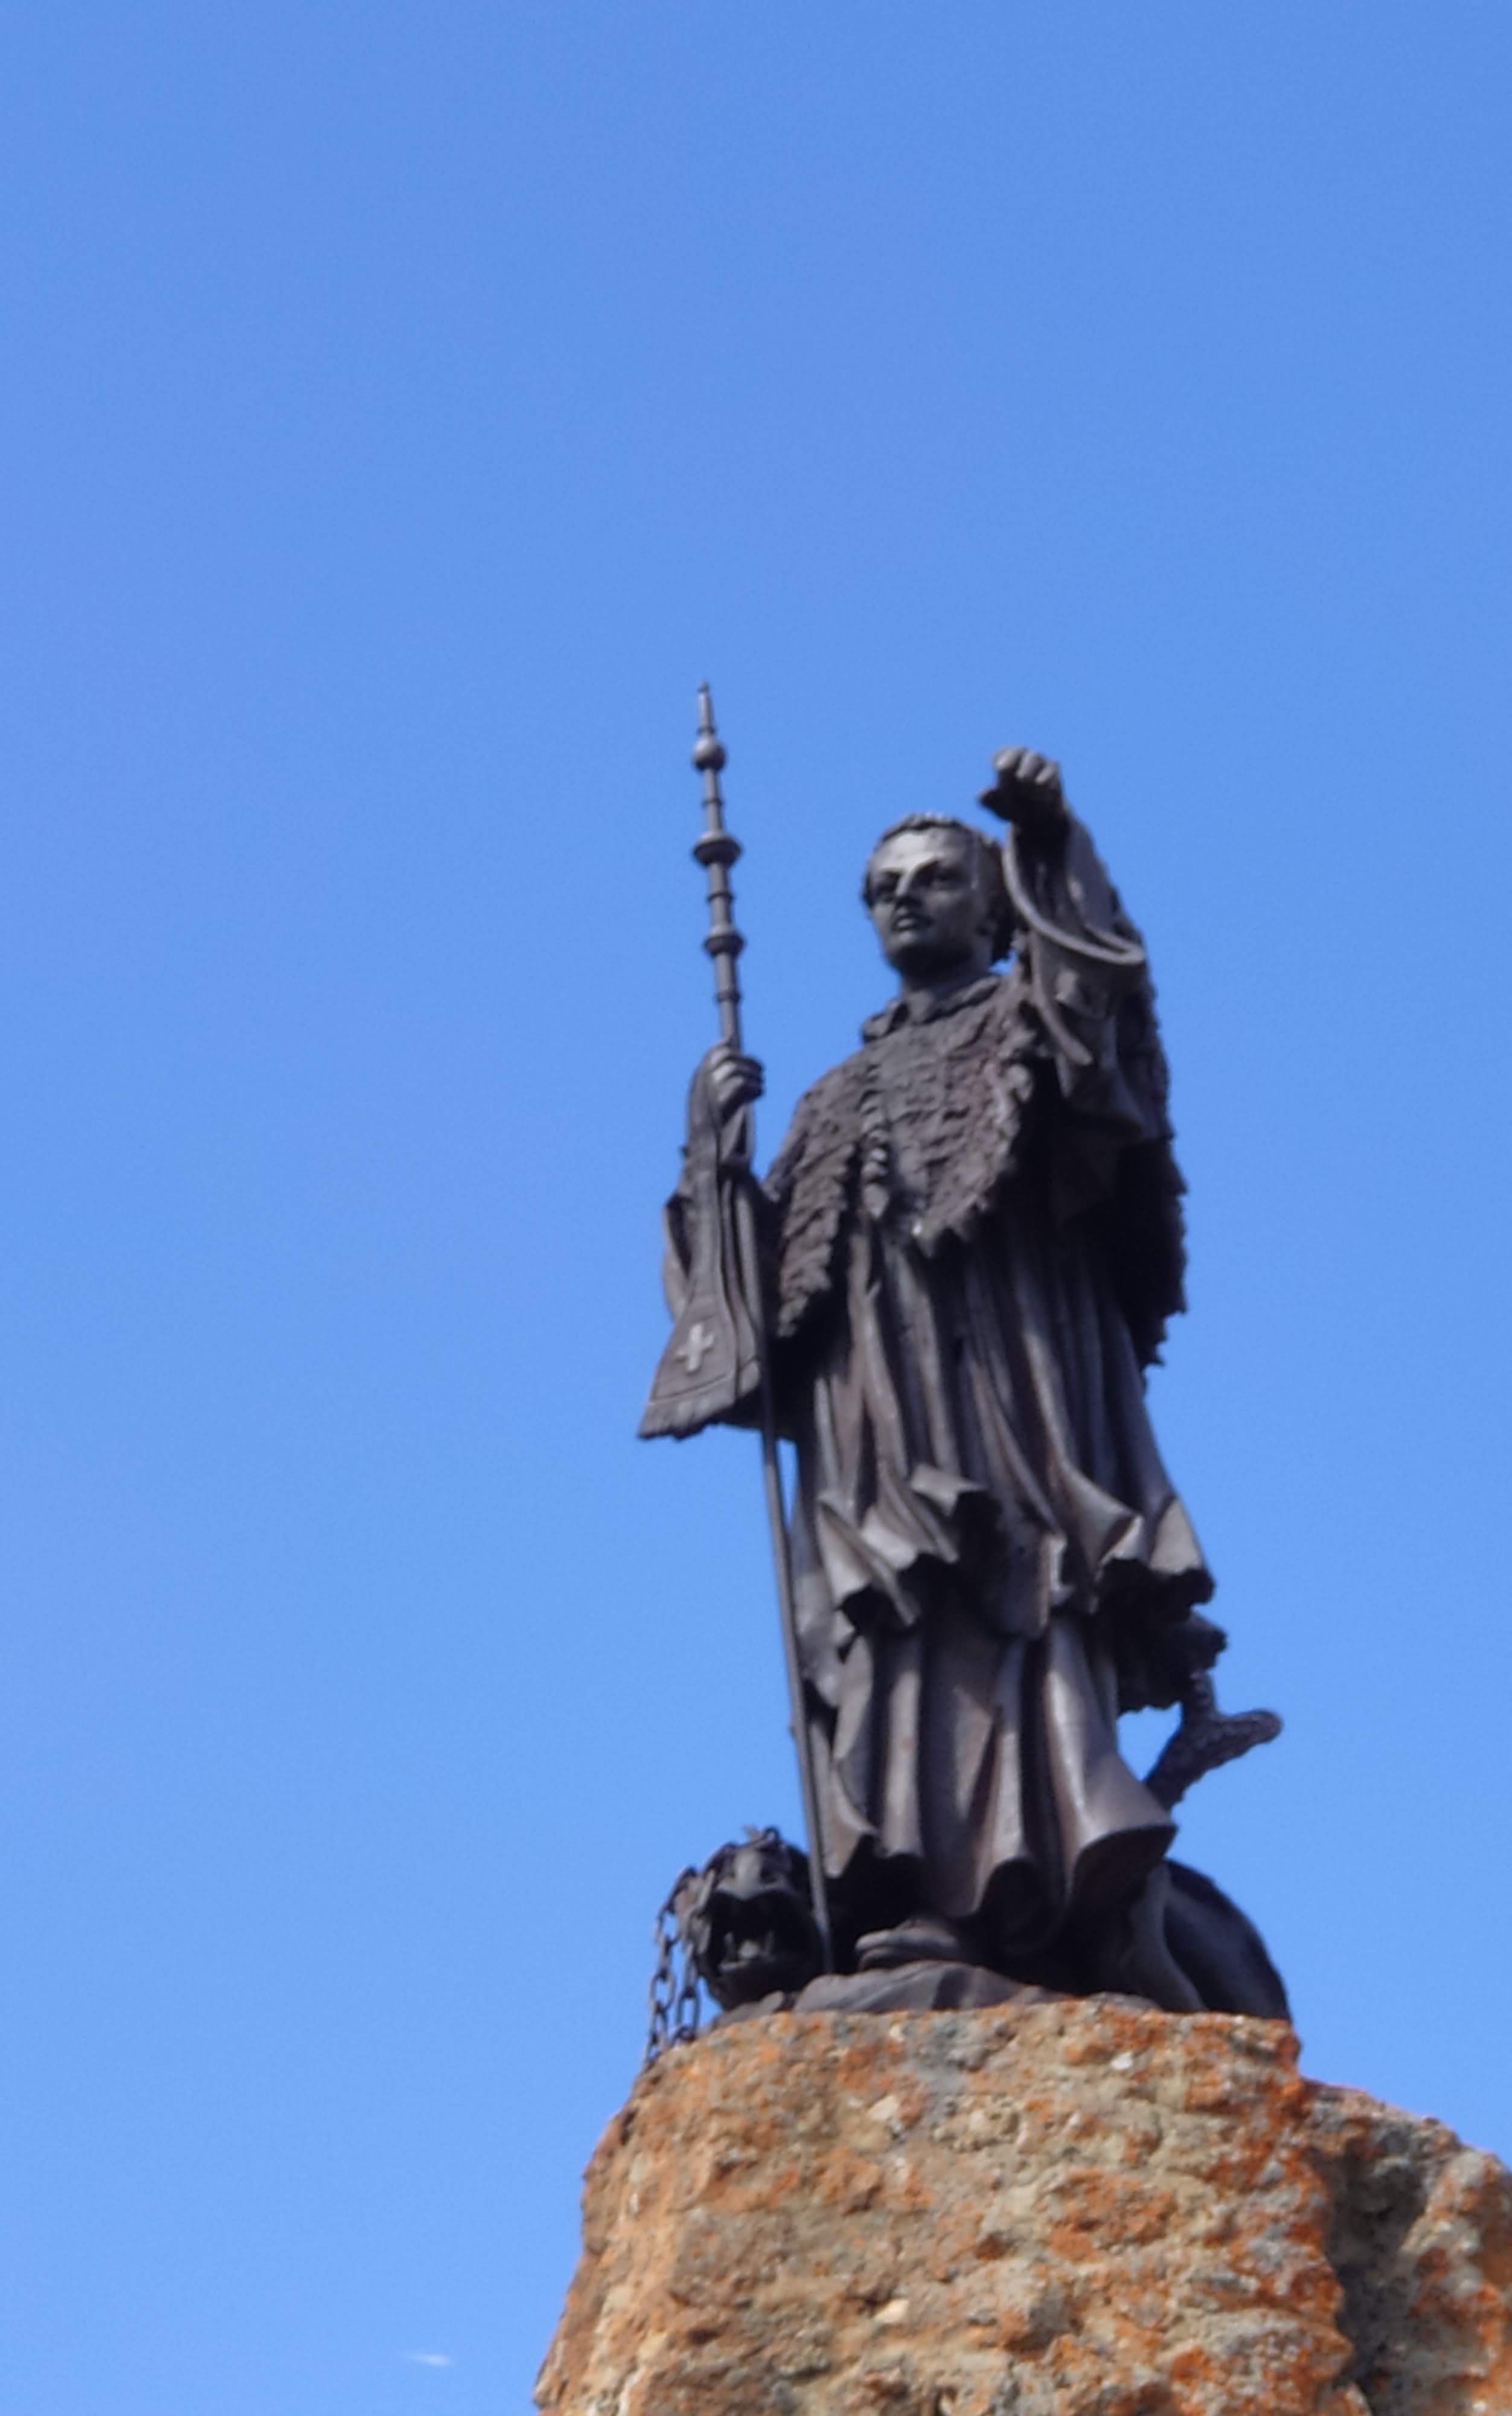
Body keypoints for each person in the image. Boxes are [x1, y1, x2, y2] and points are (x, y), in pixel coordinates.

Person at [653, 749, 1244, 1996]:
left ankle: (1058, 1887)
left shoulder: (1027, 1026)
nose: (906, 899)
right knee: (892, 1626)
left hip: (1009, 1385)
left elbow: (1101, 1024)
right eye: (884, 887)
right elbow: (758, 1313)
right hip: (870, 1422)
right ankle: (916, 1892)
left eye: (935, 878)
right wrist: (712, 1162)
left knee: (1017, 1597)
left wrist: (1051, 844)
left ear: (990, 903)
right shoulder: (832, 1096)